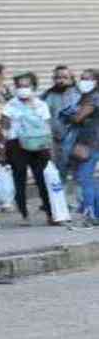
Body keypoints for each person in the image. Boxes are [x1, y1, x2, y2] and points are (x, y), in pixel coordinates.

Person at [1, 72, 53, 225]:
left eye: (26, 86)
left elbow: (47, 127)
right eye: (19, 86)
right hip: (17, 145)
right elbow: (5, 127)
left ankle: (51, 213)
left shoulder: (41, 105)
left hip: (39, 146)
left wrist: (50, 149)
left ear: (33, 87)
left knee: (43, 180)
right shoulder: (10, 105)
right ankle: (24, 214)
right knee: (19, 180)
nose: (23, 89)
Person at [69, 69, 99, 227]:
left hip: (90, 143)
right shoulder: (87, 97)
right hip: (90, 142)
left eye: (87, 79)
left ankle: (90, 214)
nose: (83, 81)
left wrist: (69, 115)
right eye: (81, 78)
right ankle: (95, 213)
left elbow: (78, 118)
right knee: (91, 180)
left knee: (84, 178)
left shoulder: (93, 98)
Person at [42, 65, 80, 182]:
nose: (61, 80)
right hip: (56, 142)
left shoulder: (80, 94)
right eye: (58, 77)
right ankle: (60, 200)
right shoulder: (47, 95)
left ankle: (82, 200)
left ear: (72, 78)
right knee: (58, 176)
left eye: (65, 77)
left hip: (77, 141)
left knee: (79, 176)